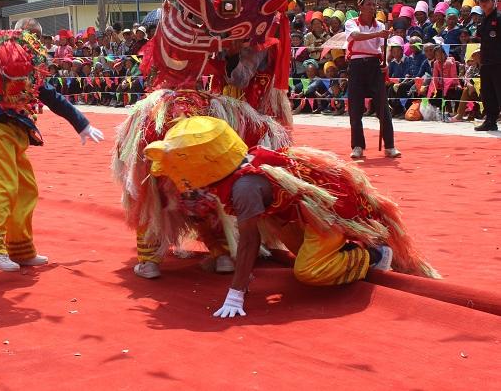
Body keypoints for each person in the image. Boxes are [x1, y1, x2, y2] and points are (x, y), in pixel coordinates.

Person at [143, 116, 439, 319]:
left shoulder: (243, 187)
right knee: (289, 240)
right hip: (303, 214)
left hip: (330, 213)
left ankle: (373, 255)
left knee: (310, 272)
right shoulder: (239, 171)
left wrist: (236, 292)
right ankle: (335, 250)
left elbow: (249, 240)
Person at [0, 18, 104, 271]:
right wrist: (83, 124)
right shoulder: (2, 61)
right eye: (31, 36)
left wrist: (82, 125)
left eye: (38, 38)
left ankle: (20, 248)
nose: (36, 43)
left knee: (26, 189)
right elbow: (50, 96)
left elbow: (51, 97)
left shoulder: (30, 69)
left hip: (15, 128)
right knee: (6, 185)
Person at [344, 0, 399, 159]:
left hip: (374, 66)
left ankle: (390, 145)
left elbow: (383, 47)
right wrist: (378, 35)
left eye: (374, 5)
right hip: (357, 65)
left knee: (382, 106)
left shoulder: (380, 25)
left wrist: (386, 62)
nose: (372, 7)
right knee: (355, 108)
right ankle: (358, 146)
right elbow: (355, 36)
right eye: (368, 4)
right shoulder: (351, 23)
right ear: (360, 7)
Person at [475, 0, 501, 131]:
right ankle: (490, 120)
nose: (484, 4)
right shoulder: (483, 19)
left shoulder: (499, 18)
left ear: (493, 1)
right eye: (481, 1)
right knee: (488, 94)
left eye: (486, 1)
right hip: (486, 62)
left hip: (498, 62)